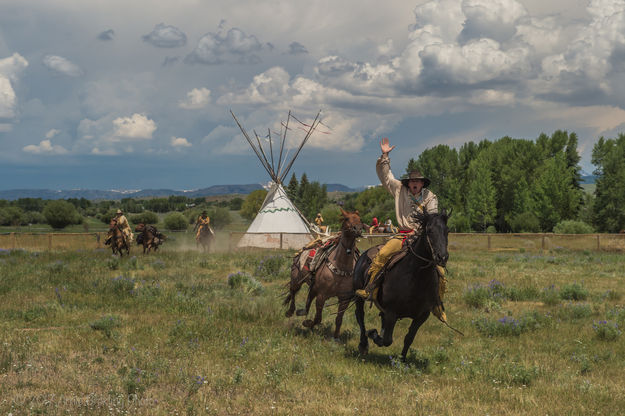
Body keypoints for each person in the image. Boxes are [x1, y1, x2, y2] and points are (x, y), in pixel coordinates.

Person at [356, 137, 444, 319]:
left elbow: (433, 217)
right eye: (412, 181)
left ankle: (437, 303)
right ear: (409, 182)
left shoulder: (430, 197)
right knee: (382, 255)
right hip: (402, 236)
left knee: (440, 271)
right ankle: (370, 288)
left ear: (422, 183)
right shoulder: (400, 189)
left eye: (418, 181)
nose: (415, 183)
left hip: (422, 238)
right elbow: (386, 177)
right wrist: (385, 156)